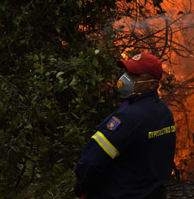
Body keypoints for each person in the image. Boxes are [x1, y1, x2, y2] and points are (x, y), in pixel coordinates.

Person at [74, 52, 176, 199]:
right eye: (127, 72)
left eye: (135, 75)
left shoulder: (127, 118)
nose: (126, 78)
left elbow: (91, 162)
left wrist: (81, 185)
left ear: (152, 84)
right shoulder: (165, 113)